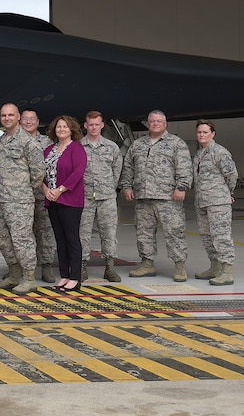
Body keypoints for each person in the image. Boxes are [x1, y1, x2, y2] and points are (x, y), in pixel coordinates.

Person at [120, 110, 193, 281]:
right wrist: (127, 186)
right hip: (143, 197)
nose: (155, 123)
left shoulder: (176, 143)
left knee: (174, 232)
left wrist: (181, 187)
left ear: (165, 124)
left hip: (168, 198)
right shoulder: (138, 144)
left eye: (159, 121)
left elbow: (184, 167)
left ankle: (180, 266)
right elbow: (128, 167)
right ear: (148, 123)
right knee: (144, 232)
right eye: (152, 121)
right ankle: (147, 264)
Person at [0, 103, 45, 294]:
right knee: (4, 239)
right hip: (1, 201)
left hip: (20, 202)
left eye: (10, 115)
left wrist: (23, 190)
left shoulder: (28, 141)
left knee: (22, 240)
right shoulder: (0, 140)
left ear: (18, 117)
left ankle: (28, 277)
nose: (7, 118)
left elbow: (39, 172)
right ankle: (14, 273)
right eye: (3, 115)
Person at [42, 116, 87, 292]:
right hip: (52, 200)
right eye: (59, 127)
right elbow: (40, 173)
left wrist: (60, 190)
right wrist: (45, 190)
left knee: (72, 239)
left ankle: (75, 277)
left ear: (71, 130)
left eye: (65, 127)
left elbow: (78, 172)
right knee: (60, 241)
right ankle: (65, 275)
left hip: (70, 200)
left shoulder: (77, 149)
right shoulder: (48, 151)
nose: (61, 129)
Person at [193, 119, 238, 286]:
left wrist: (227, 193)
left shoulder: (219, 152)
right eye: (199, 132)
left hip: (218, 202)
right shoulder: (199, 154)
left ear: (213, 134)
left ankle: (227, 272)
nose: (202, 135)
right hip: (202, 202)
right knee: (207, 236)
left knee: (221, 236)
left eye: (205, 132)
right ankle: (214, 266)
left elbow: (231, 174)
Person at [80, 111, 123, 282]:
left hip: (106, 198)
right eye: (91, 124)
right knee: (82, 233)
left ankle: (110, 267)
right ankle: (82, 265)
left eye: (97, 124)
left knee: (109, 232)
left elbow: (116, 171)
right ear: (85, 125)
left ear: (102, 125)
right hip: (84, 196)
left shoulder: (112, 147)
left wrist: (109, 188)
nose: (94, 127)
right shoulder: (78, 146)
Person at [20, 108, 57, 283]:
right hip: (19, 197)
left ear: (38, 121)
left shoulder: (48, 143)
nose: (28, 122)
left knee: (45, 232)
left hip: (42, 196)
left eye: (31, 119)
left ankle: (47, 267)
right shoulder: (14, 141)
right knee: (22, 234)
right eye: (25, 119)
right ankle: (21, 269)